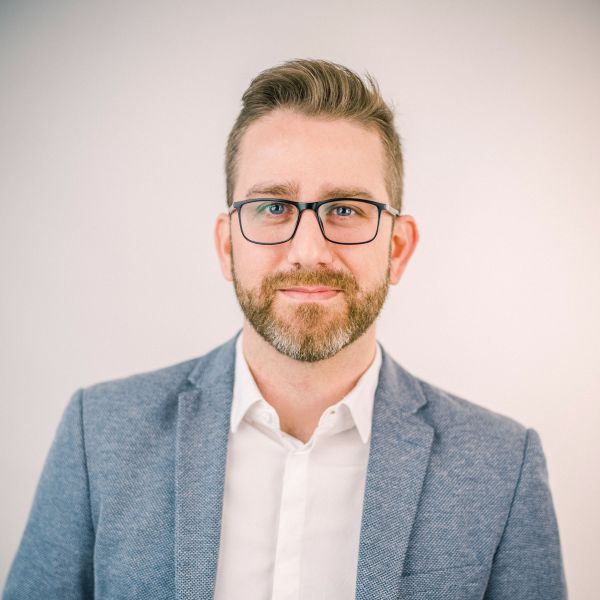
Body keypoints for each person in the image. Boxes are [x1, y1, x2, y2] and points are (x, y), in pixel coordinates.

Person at [4, 59, 567, 600]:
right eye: (274, 207)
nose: (308, 250)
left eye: (346, 209)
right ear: (227, 246)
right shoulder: (98, 435)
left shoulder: (502, 466)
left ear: (397, 248)